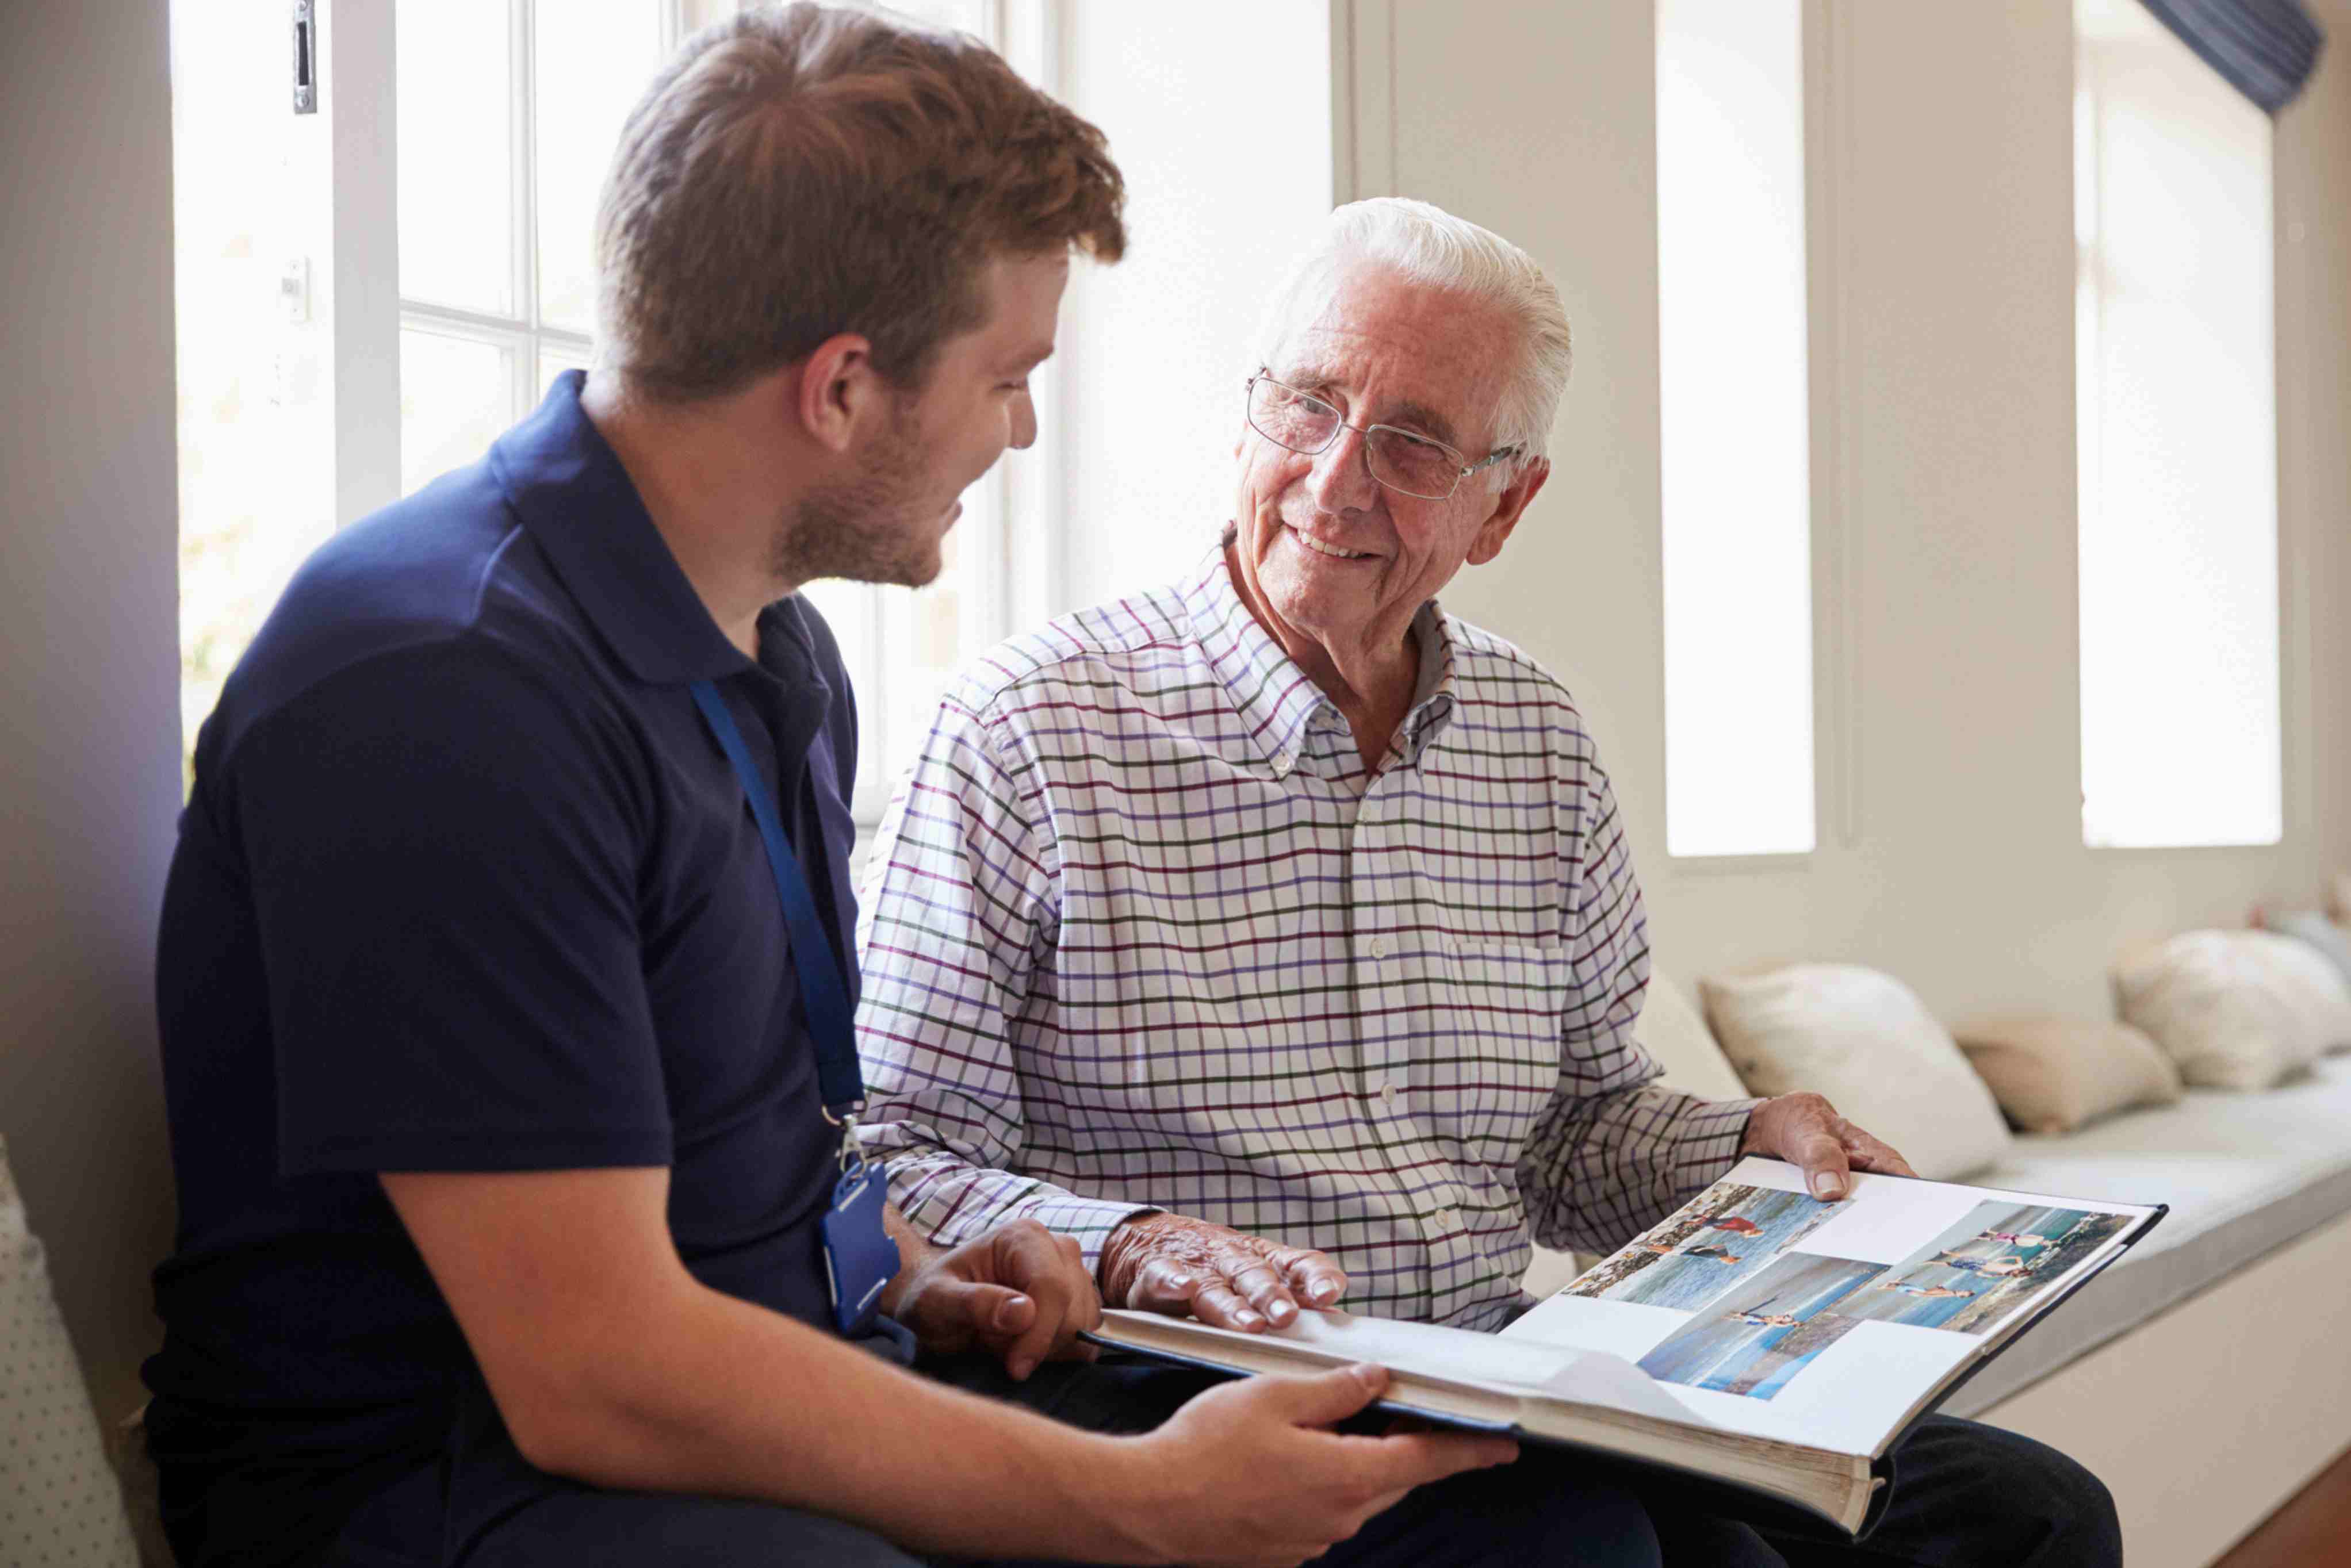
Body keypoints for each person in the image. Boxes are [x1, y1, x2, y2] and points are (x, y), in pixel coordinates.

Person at [139, 13, 1670, 1567]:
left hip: (731, 1404)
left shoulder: (775, 660)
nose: (1020, 429)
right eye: (1008, 377)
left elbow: (780, 1160)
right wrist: (1144, 1508)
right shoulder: (443, 687)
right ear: (844, 389)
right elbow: (592, 1377)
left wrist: (905, 1265)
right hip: (454, 1485)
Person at [854, 197, 2124, 1567]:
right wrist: (1134, 1240)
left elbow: (1573, 1128)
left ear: (1505, 504)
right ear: (1246, 413)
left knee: (2030, 1513)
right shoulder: (1023, 727)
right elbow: (887, 1158)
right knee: (1597, 1550)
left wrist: (1744, 1145)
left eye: (1409, 442)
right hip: (1190, 1390)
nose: (1336, 480)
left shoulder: (1538, 742)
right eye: (1307, 404)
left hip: (1505, 1369)